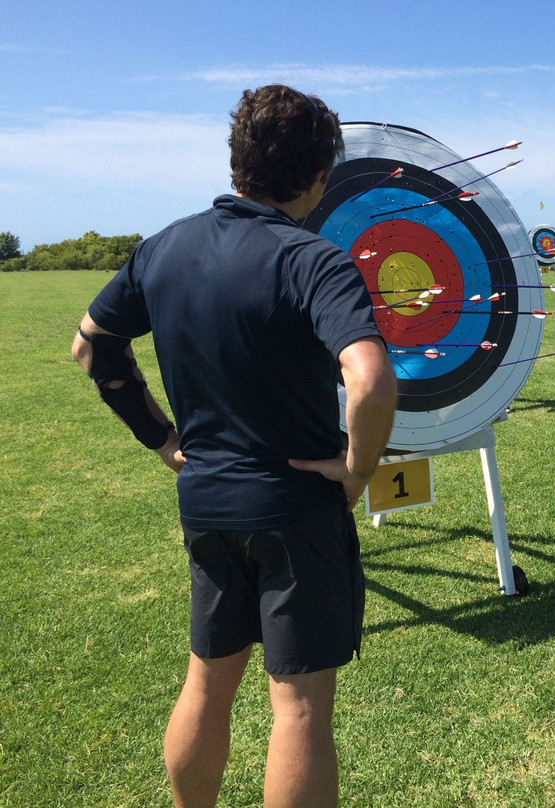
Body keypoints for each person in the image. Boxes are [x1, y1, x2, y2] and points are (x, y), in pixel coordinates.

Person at [71, 85, 398, 808]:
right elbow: (371, 381)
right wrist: (356, 469)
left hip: (207, 506)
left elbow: (91, 346)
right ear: (318, 178)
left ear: (237, 160)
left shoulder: (164, 247)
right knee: (301, 707)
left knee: (207, 682)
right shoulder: (312, 259)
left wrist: (161, 438)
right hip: (295, 512)